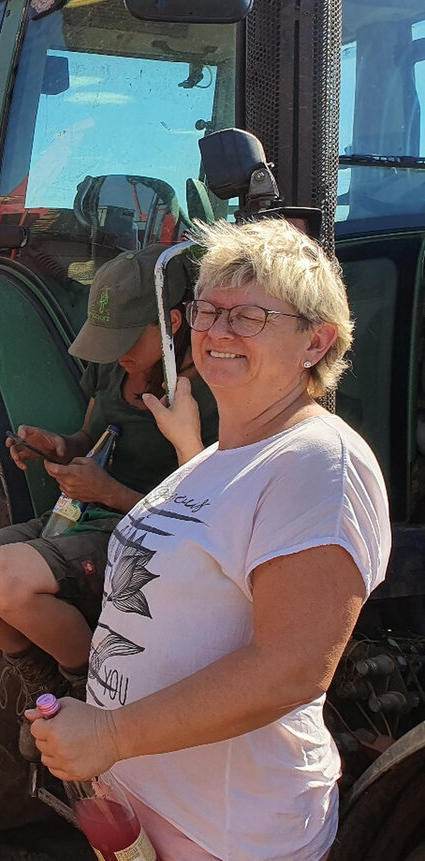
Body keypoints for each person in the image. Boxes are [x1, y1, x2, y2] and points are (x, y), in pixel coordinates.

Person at [28, 218, 391, 861]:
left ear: (317, 340)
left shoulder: (318, 461)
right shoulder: (211, 460)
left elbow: (292, 668)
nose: (217, 331)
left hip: (231, 831)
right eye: (208, 309)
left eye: (249, 315)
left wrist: (111, 733)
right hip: (152, 811)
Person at [0, 243, 218, 737]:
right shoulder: (114, 365)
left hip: (146, 531)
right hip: (82, 513)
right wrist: (58, 447)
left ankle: (91, 690)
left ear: (172, 323)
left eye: (125, 338)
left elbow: (207, 511)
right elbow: (91, 437)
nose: (115, 353)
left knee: (3, 578)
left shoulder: (207, 392)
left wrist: (111, 493)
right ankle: (42, 678)